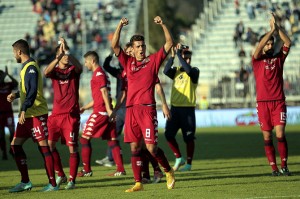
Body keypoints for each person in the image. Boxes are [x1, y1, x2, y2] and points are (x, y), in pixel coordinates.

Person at [111, 16, 175, 192]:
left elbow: (169, 43)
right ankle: (138, 182)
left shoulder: (152, 61)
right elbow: (115, 45)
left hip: (147, 110)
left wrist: (163, 24)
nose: (141, 49)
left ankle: (168, 171)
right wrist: (119, 26)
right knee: (134, 146)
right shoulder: (128, 62)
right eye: (138, 47)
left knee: (152, 148)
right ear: (132, 49)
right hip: (131, 110)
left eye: (143, 46)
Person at [7, 39, 58, 192]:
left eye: (14, 52)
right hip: (27, 115)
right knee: (15, 145)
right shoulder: (25, 67)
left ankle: (53, 184)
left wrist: (23, 109)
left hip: (36, 114)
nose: (14, 55)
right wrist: (16, 95)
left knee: (43, 147)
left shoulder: (31, 67)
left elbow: (32, 91)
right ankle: (25, 182)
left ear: (19, 52)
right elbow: (26, 90)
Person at [252, 13, 291, 176]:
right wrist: (270, 32)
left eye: (271, 43)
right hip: (262, 103)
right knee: (267, 137)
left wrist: (277, 29)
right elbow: (258, 47)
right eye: (267, 44)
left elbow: (288, 42)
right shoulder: (256, 60)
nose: (269, 46)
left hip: (278, 102)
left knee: (280, 134)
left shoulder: (279, 58)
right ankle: (274, 168)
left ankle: (284, 166)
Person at [78, 51, 125, 177]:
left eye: (86, 61)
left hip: (101, 112)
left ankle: (87, 170)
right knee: (112, 140)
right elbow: (99, 96)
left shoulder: (98, 74)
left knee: (84, 139)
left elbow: (104, 92)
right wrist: (85, 107)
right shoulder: (101, 74)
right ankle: (120, 169)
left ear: (92, 61)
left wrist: (109, 110)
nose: (85, 64)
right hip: (105, 111)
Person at [44, 37, 82, 189]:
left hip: (70, 116)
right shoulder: (55, 72)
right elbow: (46, 72)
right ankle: (60, 174)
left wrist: (67, 50)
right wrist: (57, 57)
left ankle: (72, 180)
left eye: (67, 55)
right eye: (63, 55)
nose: (66, 57)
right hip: (55, 116)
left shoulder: (73, 71)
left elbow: (80, 67)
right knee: (50, 146)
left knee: (72, 148)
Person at [163, 44, 200, 172]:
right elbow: (165, 70)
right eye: (186, 58)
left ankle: (189, 164)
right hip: (175, 110)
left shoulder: (194, 71)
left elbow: (188, 70)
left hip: (188, 110)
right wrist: (173, 56)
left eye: (189, 58)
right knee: (168, 135)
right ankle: (179, 157)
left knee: (189, 138)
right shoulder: (177, 71)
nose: (188, 60)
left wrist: (180, 55)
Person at [95, 44, 131, 167]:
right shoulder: (119, 72)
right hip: (120, 108)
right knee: (113, 133)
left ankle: (142, 160)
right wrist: (111, 54)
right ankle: (111, 158)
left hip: (130, 107)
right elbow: (105, 66)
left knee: (134, 138)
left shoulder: (132, 69)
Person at [0, 68, 18, 160]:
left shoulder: (8, 85)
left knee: (12, 133)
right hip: (0, 114)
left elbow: (16, 83)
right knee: (1, 135)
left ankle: (12, 150)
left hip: (8, 113)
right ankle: (4, 152)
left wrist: (8, 75)